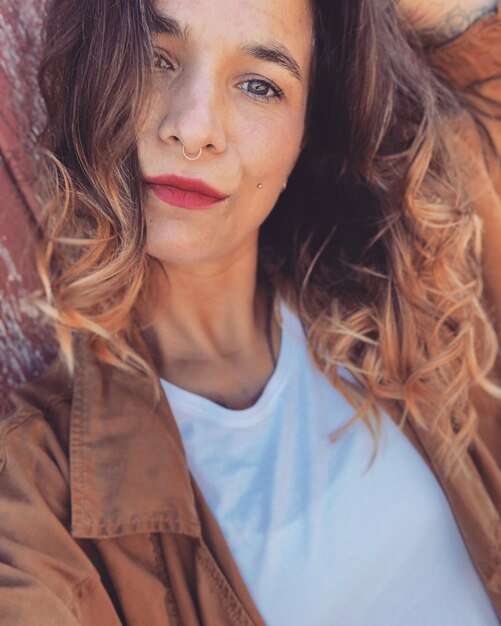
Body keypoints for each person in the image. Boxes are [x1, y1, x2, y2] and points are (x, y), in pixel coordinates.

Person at [0, 0, 500, 623]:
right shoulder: (39, 484)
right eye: (156, 58)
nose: (194, 125)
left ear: (308, 127)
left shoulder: (413, 284)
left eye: (260, 84)